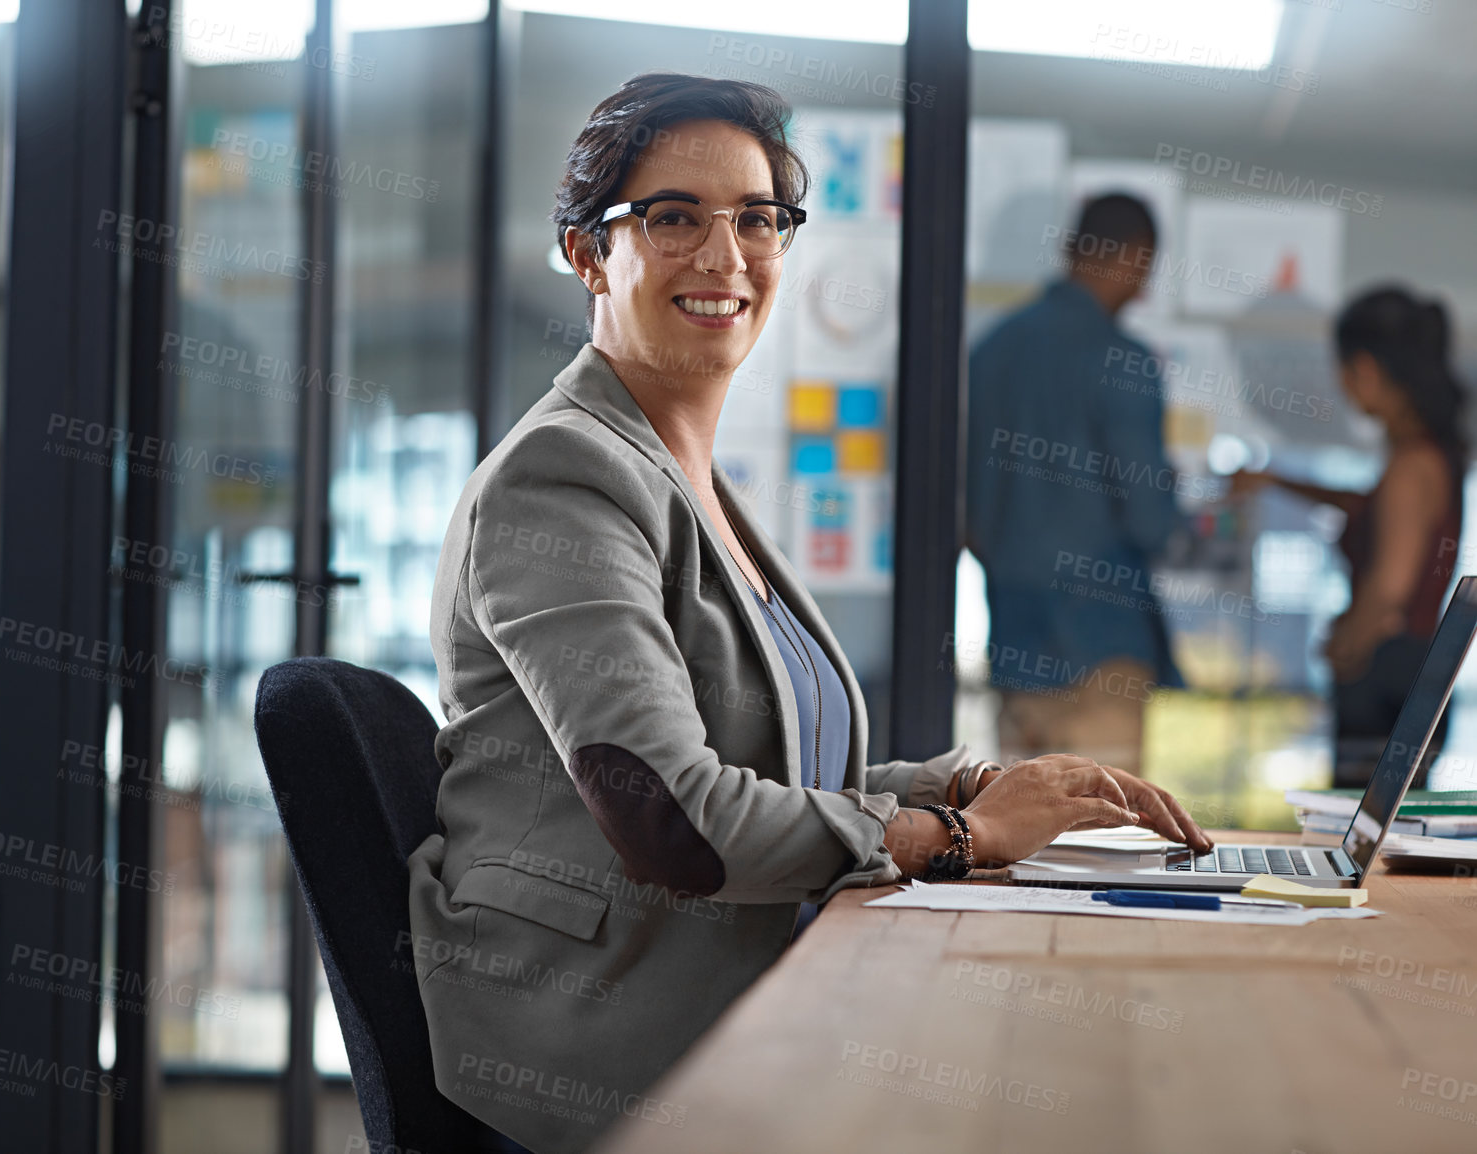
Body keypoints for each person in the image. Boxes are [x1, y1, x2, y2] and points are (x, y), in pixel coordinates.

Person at [407, 73, 1211, 1154]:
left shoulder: (687, 479)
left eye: (756, 218)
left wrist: (969, 785)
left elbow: (768, 770)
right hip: (601, 1041)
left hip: (734, 987)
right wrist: (958, 838)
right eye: (673, 216)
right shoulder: (564, 477)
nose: (724, 254)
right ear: (589, 253)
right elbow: (676, 817)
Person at [965, 193, 1188, 777]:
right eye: (1145, 271)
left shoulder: (990, 353)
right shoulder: (1126, 361)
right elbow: (1150, 521)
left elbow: (969, 513)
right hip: (1100, 648)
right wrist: (1169, 491)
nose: (1142, 290)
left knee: (1016, 848)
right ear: (1135, 259)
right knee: (1101, 843)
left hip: (1014, 640)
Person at [1232, 286, 1466, 788]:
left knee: (1363, 842)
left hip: (1386, 680)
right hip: (1408, 679)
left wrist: (1345, 648)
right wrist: (1276, 481)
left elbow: (1389, 588)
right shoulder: (1429, 458)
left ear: (1365, 370)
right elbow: (1365, 506)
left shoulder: (1411, 466)